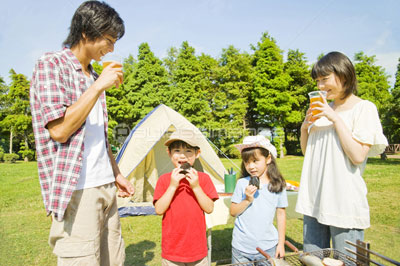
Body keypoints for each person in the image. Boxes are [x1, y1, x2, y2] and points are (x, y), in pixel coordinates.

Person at [30, 1, 134, 265]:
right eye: (109, 40)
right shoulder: (51, 64)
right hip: (77, 190)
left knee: (114, 260)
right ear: (87, 33)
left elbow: (99, 136)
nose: (112, 49)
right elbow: (61, 131)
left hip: (106, 188)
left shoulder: (93, 75)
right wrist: (98, 87)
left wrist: (116, 173)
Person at [295, 51, 388, 256]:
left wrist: (336, 119)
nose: (320, 86)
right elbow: (307, 152)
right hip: (313, 201)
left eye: (325, 79)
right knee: (313, 261)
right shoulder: (322, 110)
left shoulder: (364, 108)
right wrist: (304, 128)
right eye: (317, 80)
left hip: (343, 203)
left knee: (347, 260)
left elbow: (357, 156)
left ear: (344, 75)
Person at [153, 129, 219, 266]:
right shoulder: (164, 180)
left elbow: (209, 208)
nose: (182, 156)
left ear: (197, 153)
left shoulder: (203, 179)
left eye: (188, 151)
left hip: (198, 250)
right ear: (169, 153)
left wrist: (195, 186)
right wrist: (172, 186)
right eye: (177, 150)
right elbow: (159, 210)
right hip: (172, 251)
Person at [230, 135, 288, 264]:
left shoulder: (278, 185)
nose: (250, 166)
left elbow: (281, 214)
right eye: (247, 162)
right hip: (241, 248)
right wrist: (247, 200)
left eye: (255, 161)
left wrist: (281, 244)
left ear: (268, 159)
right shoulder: (241, 183)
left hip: (268, 247)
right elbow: (233, 212)